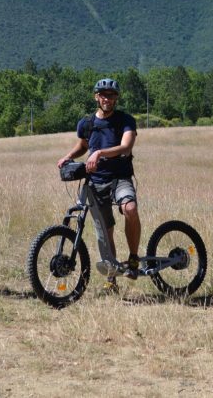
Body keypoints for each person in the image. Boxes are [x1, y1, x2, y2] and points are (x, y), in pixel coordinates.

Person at [57, 78, 141, 292]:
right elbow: (83, 146)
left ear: (116, 98)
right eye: (103, 95)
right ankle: (112, 279)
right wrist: (67, 156)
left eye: (111, 95)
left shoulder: (125, 120)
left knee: (130, 208)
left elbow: (125, 146)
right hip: (95, 181)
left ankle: (133, 258)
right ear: (96, 97)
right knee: (105, 232)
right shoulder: (86, 123)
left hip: (120, 177)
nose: (107, 98)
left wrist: (100, 152)